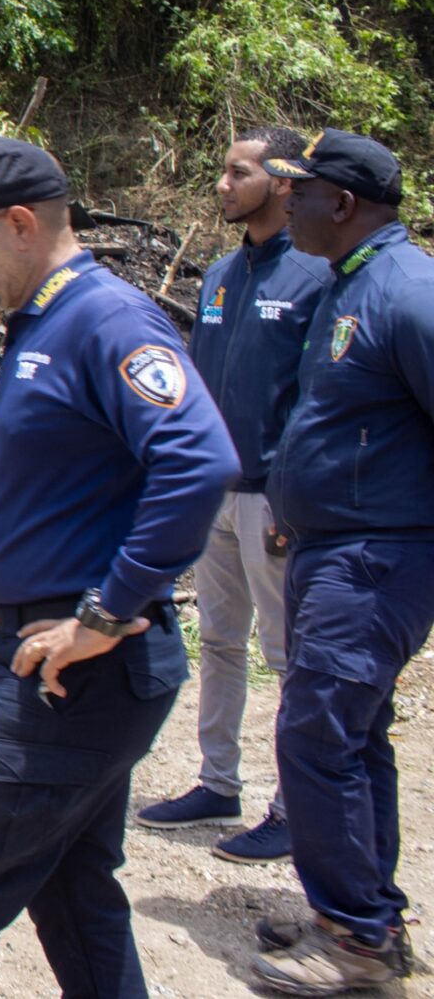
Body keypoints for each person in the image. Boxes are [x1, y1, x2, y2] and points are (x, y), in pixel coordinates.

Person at [0, 136, 238, 999]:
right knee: (71, 885)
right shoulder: (41, 320)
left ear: (20, 222)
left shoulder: (105, 320)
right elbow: (55, 496)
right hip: (42, 651)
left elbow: (199, 462)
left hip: (76, 674)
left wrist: (105, 612)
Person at [244, 129, 434, 995]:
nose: (291, 202)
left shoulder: (407, 291)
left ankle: (356, 940)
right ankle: (366, 915)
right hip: (338, 549)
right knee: (353, 736)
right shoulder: (347, 283)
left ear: (344, 203)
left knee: (316, 734)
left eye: (303, 190)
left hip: (376, 559)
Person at [136, 126, 330, 862]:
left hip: (273, 500)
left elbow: (318, 398)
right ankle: (218, 781)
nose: (222, 184)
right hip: (216, 494)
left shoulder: (314, 276)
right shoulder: (220, 274)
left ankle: (294, 806)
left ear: (282, 182)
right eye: (223, 171)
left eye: (237, 172)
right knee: (219, 641)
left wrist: (292, 496)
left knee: (286, 655)